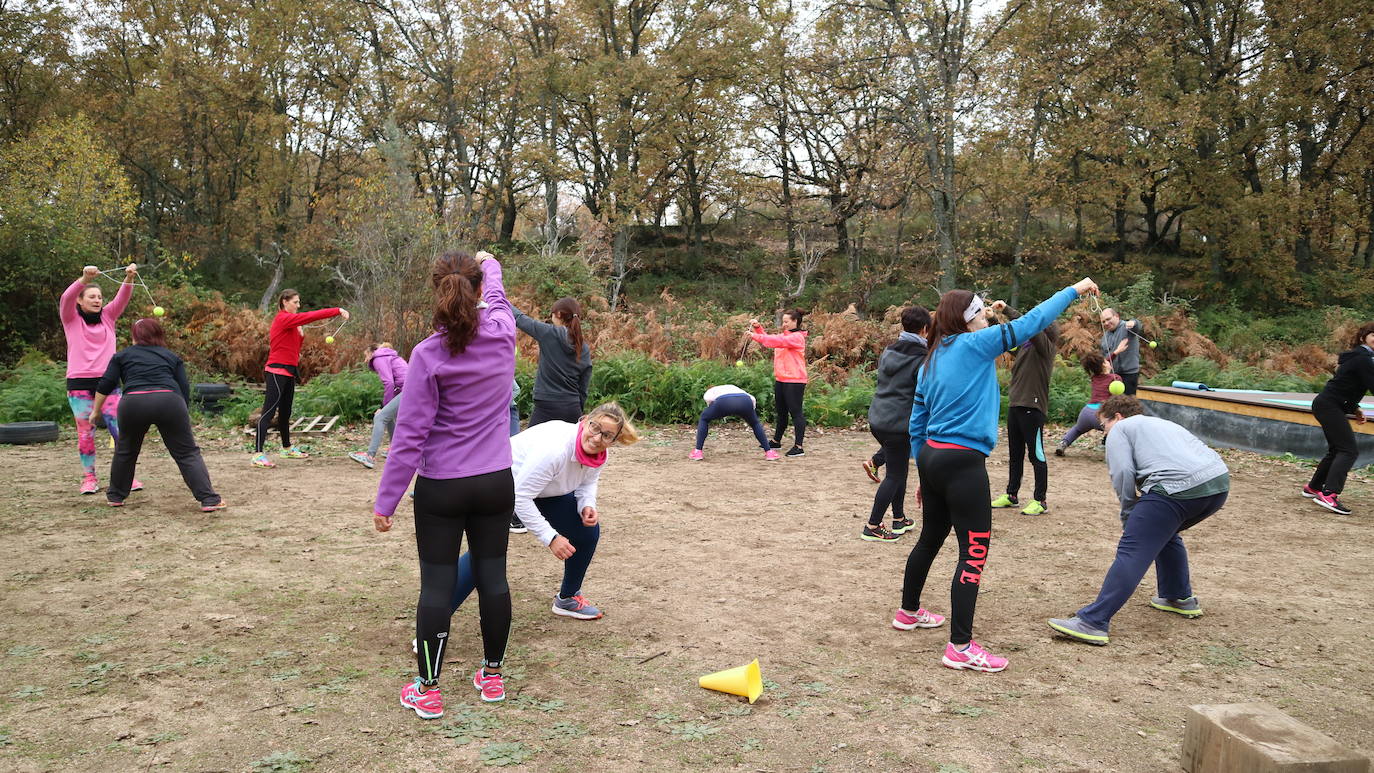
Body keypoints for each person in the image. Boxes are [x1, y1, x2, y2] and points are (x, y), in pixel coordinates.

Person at [896, 277, 1098, 674]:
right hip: (962, 462)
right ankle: (960, 646)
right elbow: (1035, 320)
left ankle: (908, 612)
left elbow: (917, 424)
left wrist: (923, 473)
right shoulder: (976, 345)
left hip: (934, 457)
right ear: (969, 320)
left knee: (930, 538)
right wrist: (1075, 289)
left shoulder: (931, 357)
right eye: (983, 312)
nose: (988, 318)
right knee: (973, 552)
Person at [373, 250, 516, 718]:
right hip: (495, 481)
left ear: (438, 290)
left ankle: (428, 689)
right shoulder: (503, 335)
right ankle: (491, 677)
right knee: (493, 578)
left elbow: (410, 435)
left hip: (442, 488)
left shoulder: (427, 354)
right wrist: (489, 262)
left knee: (436, 586)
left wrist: (387, 500)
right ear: (476, 289)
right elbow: (497, 295)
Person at [1047, 395, 1228, 646]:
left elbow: (1122, 473)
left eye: (1103, 425)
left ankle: (1093, 622)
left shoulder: (1121, 428)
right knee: (1164, 533)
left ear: (1117, 417)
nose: (1104, 433)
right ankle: (1178, 597)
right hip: (1217, 486)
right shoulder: (1163, 424)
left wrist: (1128, 510)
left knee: (1134, 549)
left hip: (1175, 488)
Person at [438, 403, 641, 627]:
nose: (597, 438)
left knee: (586, 530)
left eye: (606, 435)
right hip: (499, 482)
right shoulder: (555, 450)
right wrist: (551, 538)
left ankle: (567, 598)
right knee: (485, 555)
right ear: (584, 421)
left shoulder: (600, 455)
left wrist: (586, 504)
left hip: (541, 489)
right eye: (594, 427)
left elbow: (588, 482)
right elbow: (520, 496)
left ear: (613, 441)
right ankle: (434, 620)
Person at [91, 318, 224, 511]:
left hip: (133, 403)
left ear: (134, 336)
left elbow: (105, 383)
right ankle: (209, 500)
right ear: (159, 335)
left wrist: (95, 411)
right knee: (186, 453)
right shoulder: (170, 356)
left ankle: (115, 495)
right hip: (168, 401)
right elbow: (183, 387)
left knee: (126, 450)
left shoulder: (121, 356)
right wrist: (182, 411)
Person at [60, 263, 137, 495]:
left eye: (100, 297)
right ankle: (89, 478)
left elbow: (122, 299)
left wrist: (129, 278)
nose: (97, 300)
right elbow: (66, 297)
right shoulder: (71, 319)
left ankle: (127, 478)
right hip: (79, 385)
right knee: (86, 433)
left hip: (109, 384)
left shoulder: (108, 317)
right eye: (91, 297)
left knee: (120, 431)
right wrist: (83, 279)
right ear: (80, 301)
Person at [252, 290, 348, 468]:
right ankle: (258, 454)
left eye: (298, 302)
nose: (298, 305)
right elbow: (310, 316)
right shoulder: (283, 318)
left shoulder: (293, 324)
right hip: (276, 371)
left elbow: (292, 347)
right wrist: (336, 310)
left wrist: (300, 333)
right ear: (285, 302)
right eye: (295, 302)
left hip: (288, 372)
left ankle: (286, 448)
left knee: (286, 413)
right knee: (268, 412)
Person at [861, 306, 931, 541]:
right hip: (899, 424)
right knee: (895, 475)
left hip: (878, 418)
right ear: (924, 329)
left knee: (897, 469)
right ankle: (872, 526)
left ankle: (899, 518)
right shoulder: (922, 358)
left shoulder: (889, 350)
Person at [989, 300, 1059, 516]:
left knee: (1036, 455)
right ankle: (1012, 495)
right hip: (1016, 405)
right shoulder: (1025, 347)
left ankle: (1040, 500)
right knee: (1015, 454)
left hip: (1033, 408)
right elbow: (1004, 338)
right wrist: (993, 317)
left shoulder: (1045, 347)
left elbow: (1029, 324)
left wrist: (1008, 310)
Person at [1301, 322, 1374, 515]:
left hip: (1328, 404)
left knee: (1337, 449)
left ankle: (1314, 487)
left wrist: (1355, 408)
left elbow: (1347, 385)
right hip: (1329, 405)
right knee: (1348, 450)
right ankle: (1329, 494)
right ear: (1363, 337)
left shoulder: (1359, 356)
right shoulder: (1364, 358)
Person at [514, 297, 592, 427]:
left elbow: (519, 318)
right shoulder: (583, 347)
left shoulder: (549, 333)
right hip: (572, 408)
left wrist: (497, 299)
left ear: (559, 314)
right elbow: (583, 386)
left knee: (531, 446)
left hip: (545, 405)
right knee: (568, 447)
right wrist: (579, 409)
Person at [749, 310, 808, 457]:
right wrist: (758, 328)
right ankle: (776, 441)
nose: (784, 324)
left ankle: (799, 447)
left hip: (795, 380)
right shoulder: (785, 335)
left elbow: (776, 342)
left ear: (795, 321)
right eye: (784, 321)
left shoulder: (797, 338)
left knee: (796, 412)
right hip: (781, 379)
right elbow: (771, 339)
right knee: (781, 413)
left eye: (787, 321)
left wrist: (755, 336)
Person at [349, 343, 408, 469]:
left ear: (371, 352)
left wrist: (383, 407)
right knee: (389, 417)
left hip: (409, 390)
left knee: (380, 417)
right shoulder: (389, 356)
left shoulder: (378, 358)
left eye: (366, 356)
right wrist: (385, 406)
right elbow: (397, 384)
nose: (365, 360)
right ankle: (394, 450)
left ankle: (370, 456)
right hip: (411, 389)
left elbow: (389, 383)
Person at [1055, 352, 1122, 455]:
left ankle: (1063, 443)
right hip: (1102, 414)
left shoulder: (1094, 377)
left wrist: (1115, 352)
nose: (1108, 361)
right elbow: (1118, 393)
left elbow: (1098, 363)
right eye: (1106, 361)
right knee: (1117, 429)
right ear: (1104, 365)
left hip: (1086, 412)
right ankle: (1116, 452)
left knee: (1077, 429)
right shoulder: (1115, 378)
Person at [690, 386, 778, 461]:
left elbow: (708, 400)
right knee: (755, 423)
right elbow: (752, 400)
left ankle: (698, 452)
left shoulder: (712, 390)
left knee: (704, 418)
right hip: (745, 400)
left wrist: (715, 411)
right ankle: (769, 452)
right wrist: (750, 414)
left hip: (724, 402)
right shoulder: (736, 389)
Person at [1099, 308, 1143, 395]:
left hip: (1129, 375)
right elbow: (1104, 357)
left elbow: (1137, 325)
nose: (1106, 323)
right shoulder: (1105, 336)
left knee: (1127, 404)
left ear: (1117, 316)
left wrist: (1133, 322)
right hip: (1112, 376)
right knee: (1113, 404)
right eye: (1103, 322)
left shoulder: (1127, 327)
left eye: (1108, 319)